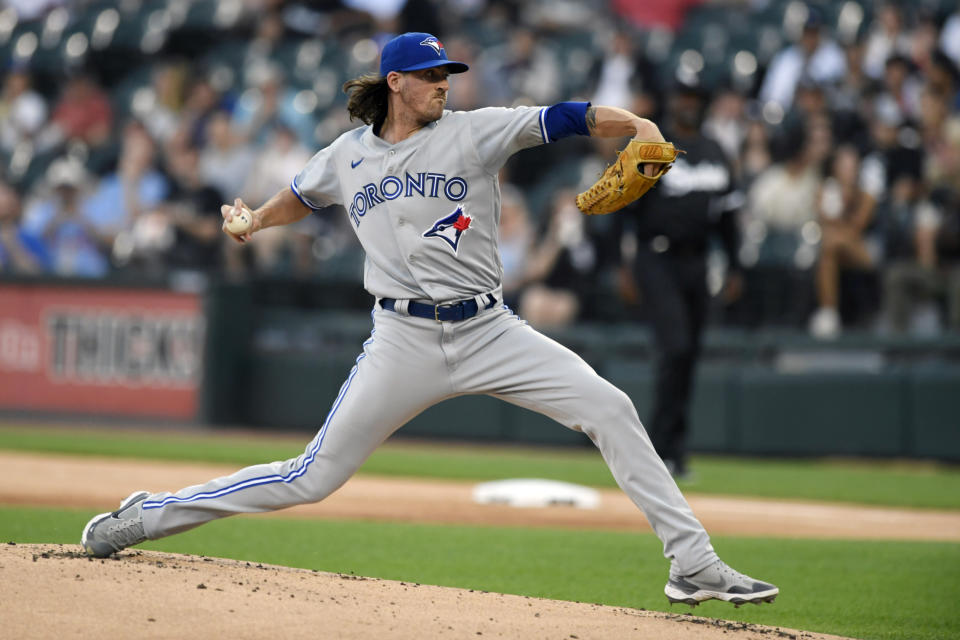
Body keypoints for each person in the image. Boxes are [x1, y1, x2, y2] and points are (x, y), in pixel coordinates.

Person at [81, 32, 778, 608]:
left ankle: (693, 564)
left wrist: (638, 125)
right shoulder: (348, 154)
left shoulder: (473, 132)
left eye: (446, 72)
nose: (442, 82)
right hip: (402, 340)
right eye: (427, 73)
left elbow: (564, 117)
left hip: (490, 330)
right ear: (394, 82)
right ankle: (151, 514)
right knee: (311, 477)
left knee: (613, 407)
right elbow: (304, 193)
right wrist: (257, 219)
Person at [616, 79, 743, 481]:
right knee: (675, 347)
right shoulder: (652, 148)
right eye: (682, 97)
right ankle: (656, 449)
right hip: (656, 258)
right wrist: (624, 263)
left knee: (687, 356)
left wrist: (736, 266)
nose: (688, 104)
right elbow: (624, 210)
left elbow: (728, 218)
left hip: (698, 262)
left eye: (695, 98)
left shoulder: (715, 151)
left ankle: (675, 450)